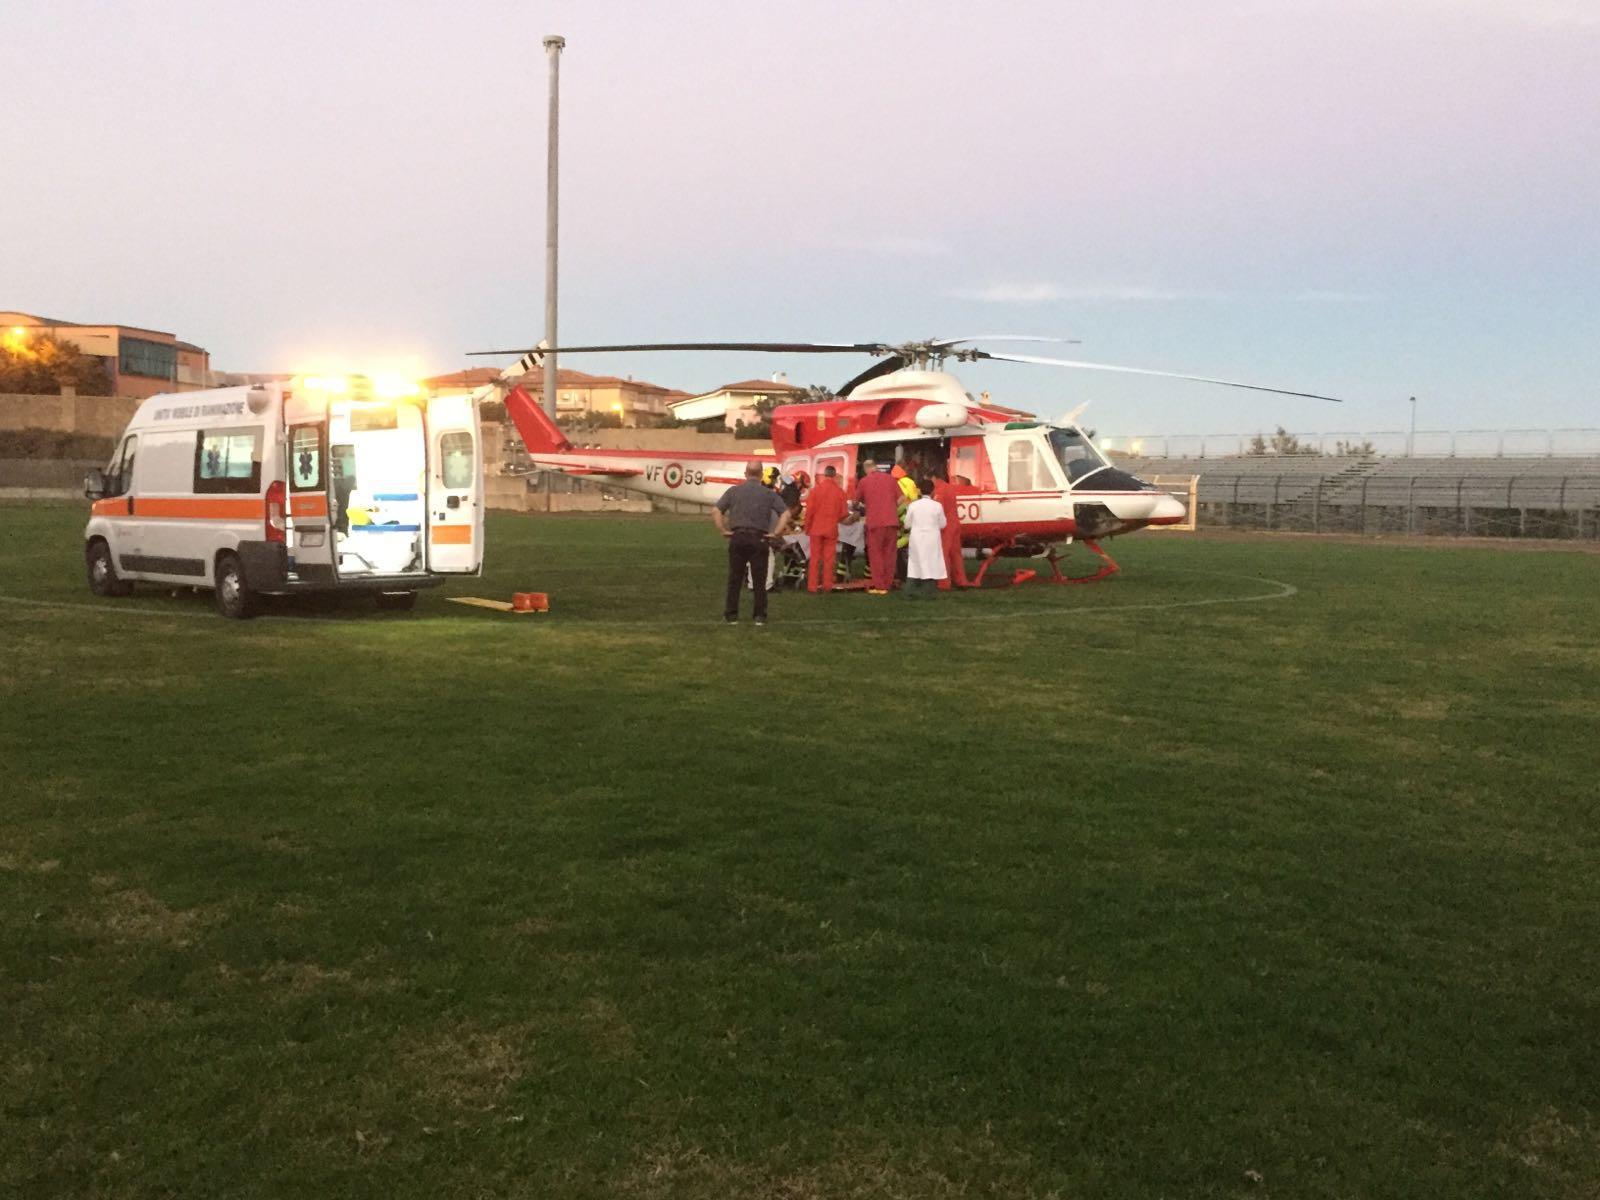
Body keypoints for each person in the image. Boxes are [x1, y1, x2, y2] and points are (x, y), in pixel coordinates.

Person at [713, 462, 793, 624]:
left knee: (735, 578)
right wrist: (776, 533)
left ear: (746, 474)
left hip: (738, 536)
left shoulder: (734, 491)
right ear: (761, 475)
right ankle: (759, 616)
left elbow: (716, 510)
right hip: (759, 538)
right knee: (759, 579)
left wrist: (723, 530)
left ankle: (731, 615)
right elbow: (786, 514)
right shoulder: (768, 494)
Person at [854, 459, 902, 594]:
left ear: (866, 469)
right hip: (891, 521)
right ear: (876, 467)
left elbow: (856, 502)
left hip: (875, 523)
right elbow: (901, 499)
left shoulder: (864, 481)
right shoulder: (891, 479)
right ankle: (888, 582)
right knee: (890, 554)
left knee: (876, 554)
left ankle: (880, 585)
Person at [803, 465, 848, 593]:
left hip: (816, 528)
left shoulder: (815, 490)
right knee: (829, 558)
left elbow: (809, 512)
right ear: (834, 475)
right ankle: (827, 585)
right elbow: (843, 513)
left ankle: (812, 586)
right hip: (831, 528)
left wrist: (807, 527)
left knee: (815, 558)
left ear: (824, 475)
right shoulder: (840, 492)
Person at [904, 477, 948, 597]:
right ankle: (929, 591)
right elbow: (943, 524)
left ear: (919, 490)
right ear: (933, 491)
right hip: (932, 538)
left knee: (914, 563)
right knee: (931, 562)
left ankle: (910, 590)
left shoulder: (913, 505)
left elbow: (907, 524)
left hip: (916, 537)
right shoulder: (937, 506)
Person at [931, 470, 972, 589]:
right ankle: (961, 580)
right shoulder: (949, 487)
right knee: (956, 555)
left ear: (933, 477)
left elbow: (938, 509)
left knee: (943, 554)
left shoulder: (939, 489)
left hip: (945, 526)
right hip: (955, 523)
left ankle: (944, 583)